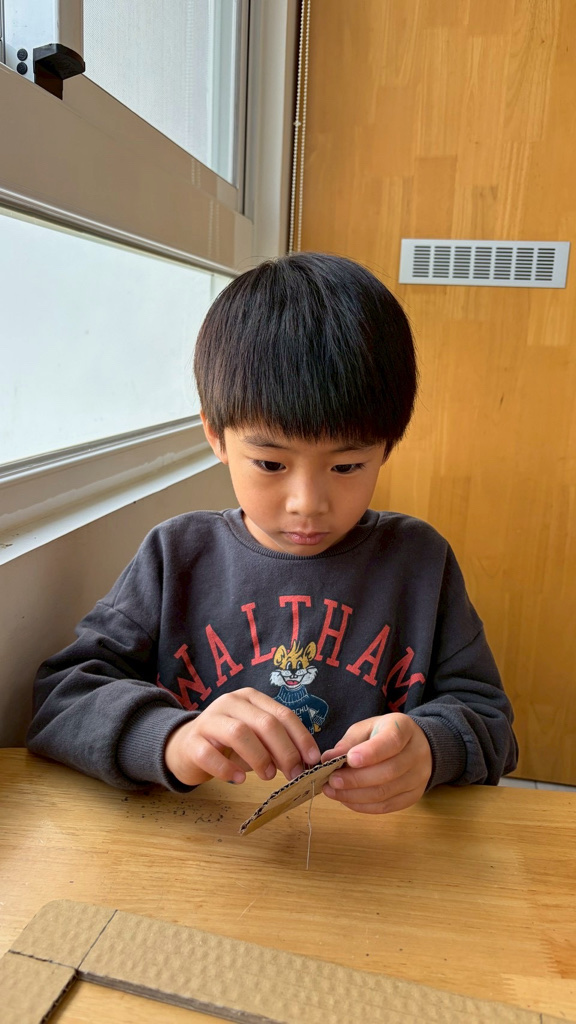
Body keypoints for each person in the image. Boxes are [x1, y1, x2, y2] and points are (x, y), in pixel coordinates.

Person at [26, 253, 518, 815]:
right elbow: (63, 698)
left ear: (387, 445)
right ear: (216, 436)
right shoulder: (176, 556)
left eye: (347, 466)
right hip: (208, 847)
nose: (307, 503)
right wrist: (174, 739)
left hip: (382, 853)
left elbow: (491, 723)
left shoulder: (420, 563)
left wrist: (431, 749)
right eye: (270, 463)